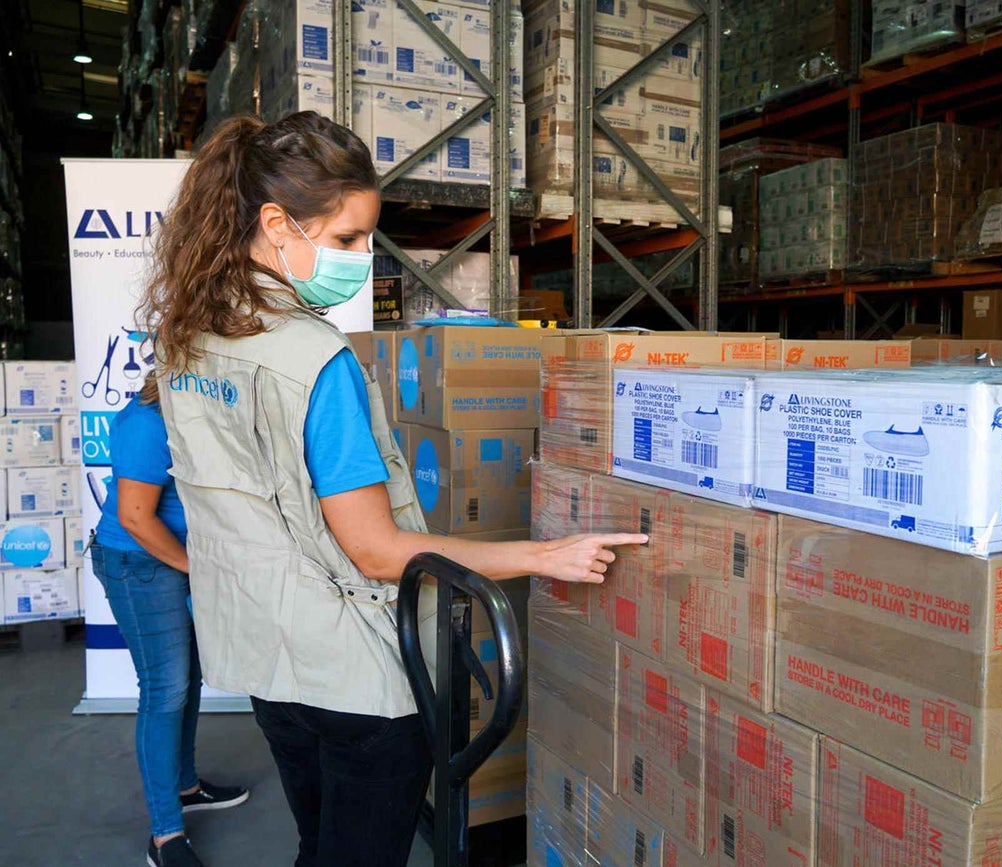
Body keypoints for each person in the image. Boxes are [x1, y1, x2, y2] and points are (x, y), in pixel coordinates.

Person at [137, 111, 646, 867]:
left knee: (321, 843)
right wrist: (547, 554)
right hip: (355, 679)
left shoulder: (186, 344)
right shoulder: (316, 360)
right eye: (346, 239)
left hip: (267, 663)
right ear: (277, 223)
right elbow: (376, 551)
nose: (362, 258)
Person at [89, 388, 249, 867]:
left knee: (187, 681)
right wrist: (193, 568)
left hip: (178, 559)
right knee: (164, 690)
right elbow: (136, 517)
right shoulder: (148, 421)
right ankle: (165, 835)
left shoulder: (200, 408)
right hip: (140, 563)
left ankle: (186, 787)